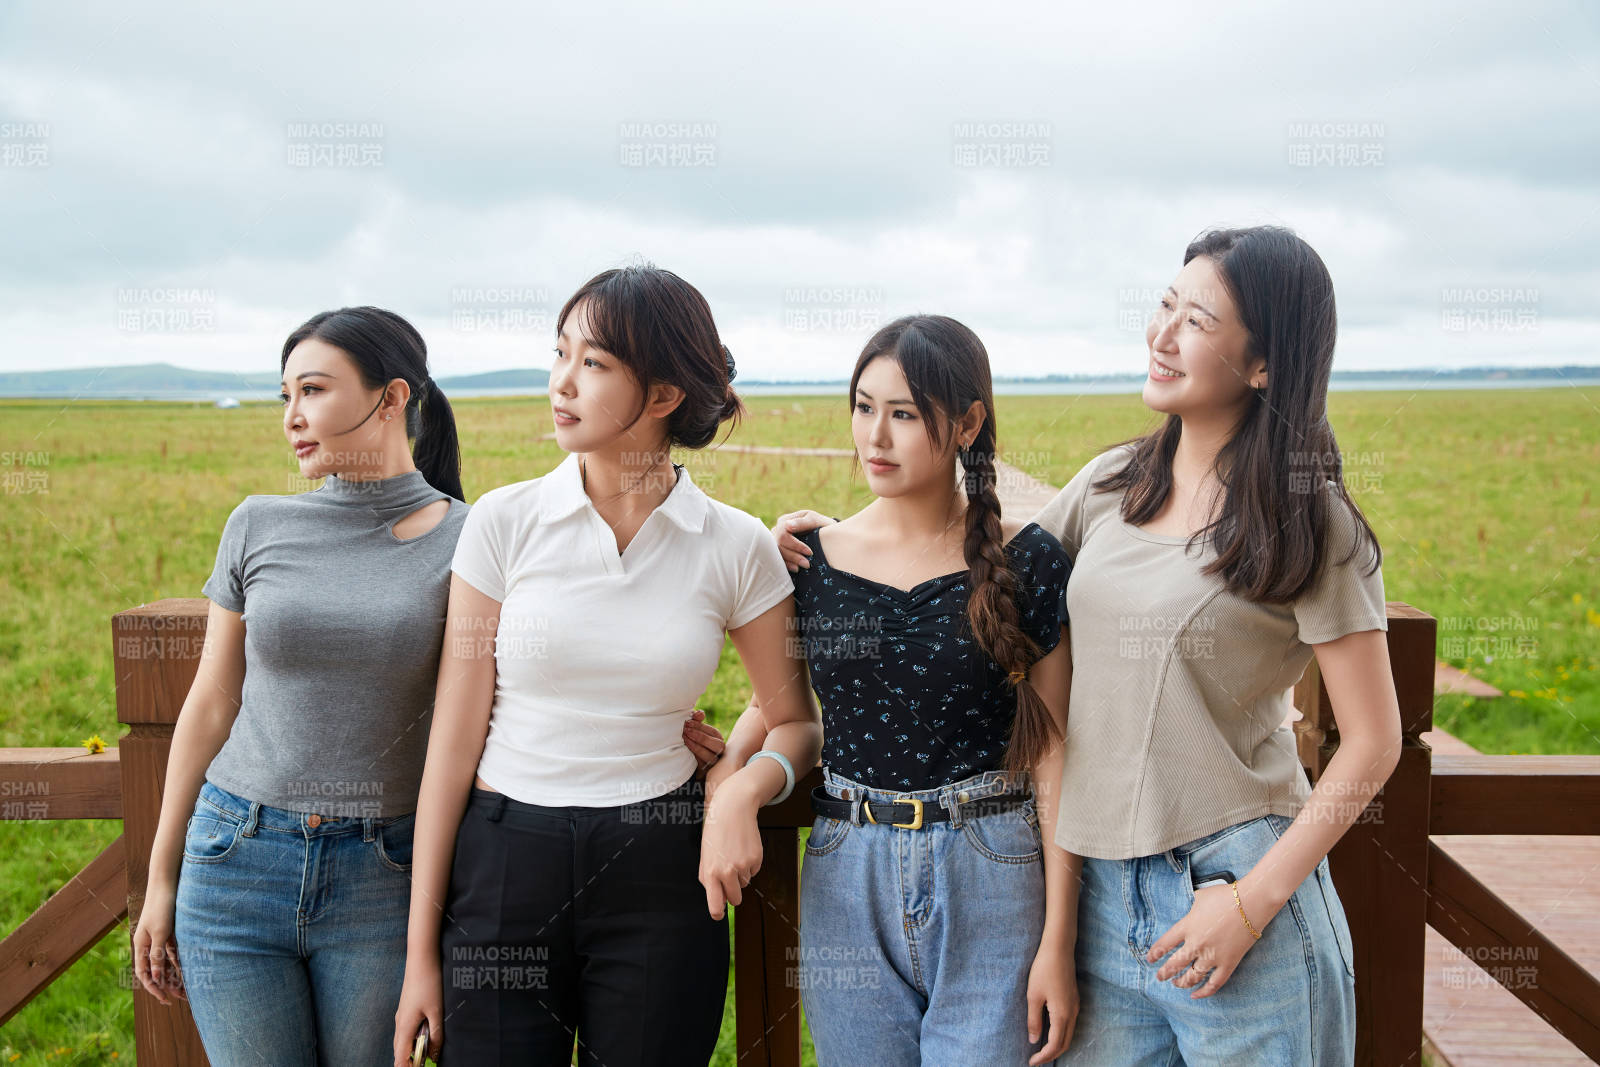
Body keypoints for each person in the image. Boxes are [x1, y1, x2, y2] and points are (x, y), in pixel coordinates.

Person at [393, 265, 823, 1066]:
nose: (561, 383)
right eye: (560, 353)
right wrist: (421, 955)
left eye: (592, 363)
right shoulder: (503, 522)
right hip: (503, 863)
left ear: (662, 394)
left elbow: (794, 720)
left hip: (662, 865)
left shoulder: (734, 546)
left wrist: (737, 787)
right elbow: (450, 742)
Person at [714, 315, 1078, 1066]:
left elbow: (1055, 760)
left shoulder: (1031, 561)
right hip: (847, 869)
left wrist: (1059, 941)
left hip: (993, 870)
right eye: (863, 406)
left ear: (968, 422)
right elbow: (778, 703)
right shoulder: (810, 559)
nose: (874, 435)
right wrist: (729, 782)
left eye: (904, 414)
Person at [132, 307, 469, 1065]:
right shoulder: (256, 524)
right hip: (233, 859)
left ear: (392, 398)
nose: (292, 417)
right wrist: (162, 879)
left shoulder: (467, 536)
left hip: (385, 874)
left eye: (313, 390)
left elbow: (487, 701)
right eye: (285, 395)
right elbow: (211, 702)